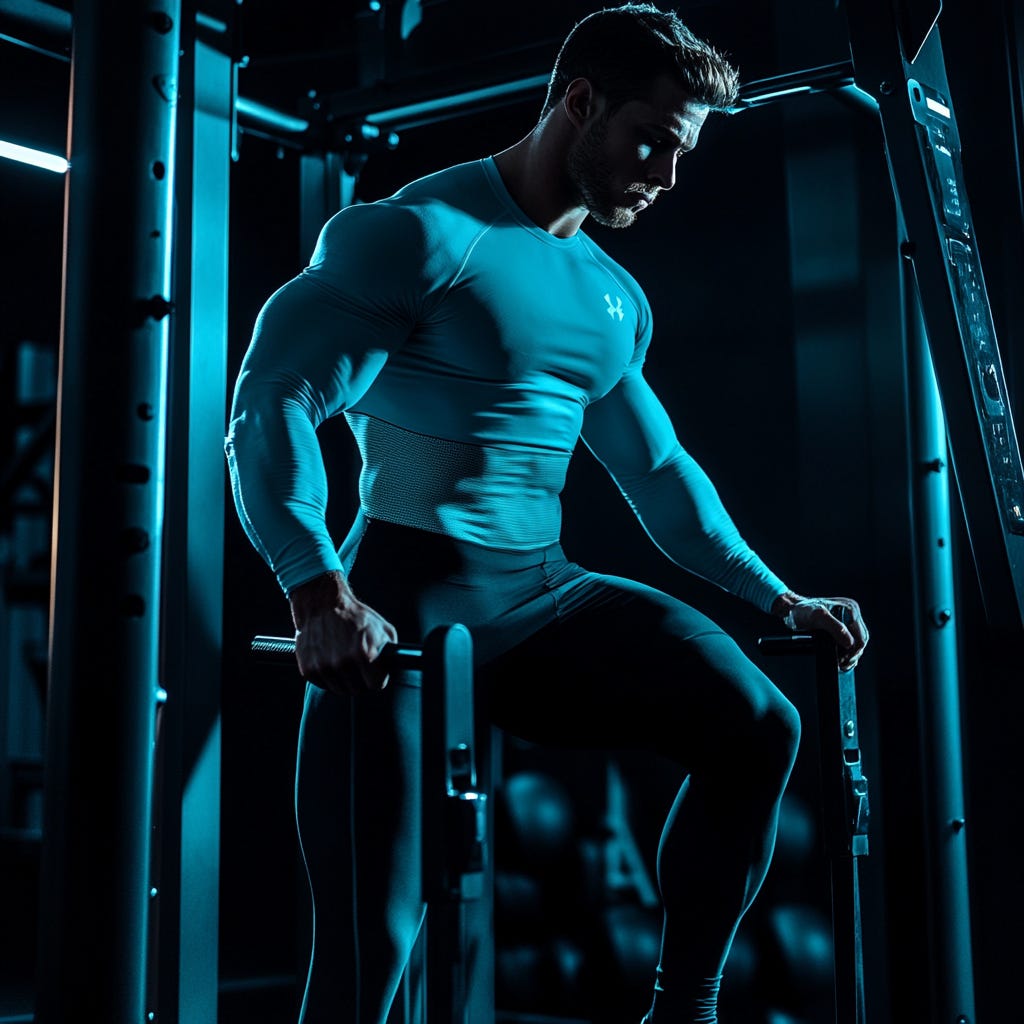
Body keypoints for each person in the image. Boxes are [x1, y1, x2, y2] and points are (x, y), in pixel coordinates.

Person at [225, 4, 870, 1022]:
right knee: (370, 944)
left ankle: (685, 1010)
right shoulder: (416, 234)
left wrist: (777, 596)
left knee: (759, 723)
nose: (664, 174)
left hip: (541, 596)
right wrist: (316, 590)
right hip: (403, 607)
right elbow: (274, 402)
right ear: (580, 103)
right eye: (650, 140)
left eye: (681, 152)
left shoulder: (609, 295)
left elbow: (657, 472)